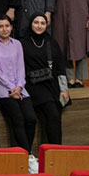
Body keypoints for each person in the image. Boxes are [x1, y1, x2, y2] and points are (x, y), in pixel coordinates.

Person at [0, 16, 38, 169]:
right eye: (1, 26)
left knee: (31, 118)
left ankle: (24, 153)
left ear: (11, 27)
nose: (4, 29)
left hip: (19, 88)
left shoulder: (17, 44)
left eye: (7, 26)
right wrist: (10, 87)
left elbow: (21, 67)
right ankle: (28, 156)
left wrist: (19, 86)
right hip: (2, 90)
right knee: (18, 119)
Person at [22, 13, 69, 144]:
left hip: (51, 84)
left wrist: (64, 89)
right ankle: (54, 151)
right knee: (52, 114)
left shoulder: (51, 42)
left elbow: (60, 67)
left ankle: (56, 153)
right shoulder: (23, 43)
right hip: (33, 85)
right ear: (31, 24)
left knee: (55, 117)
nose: (39, 26)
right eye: (36, 22)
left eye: (42, 23)